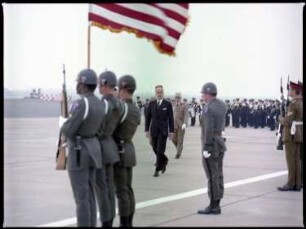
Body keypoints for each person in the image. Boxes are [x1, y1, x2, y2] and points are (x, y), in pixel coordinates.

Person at [59, 69, 107, 226]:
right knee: (89, 195)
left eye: (78, 82)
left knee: (81, 198)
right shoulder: (100, 104)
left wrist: (62, 122)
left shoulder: (81, 104)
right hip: (93, 151)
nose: (77, 85)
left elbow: (69, 130)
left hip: (79, 153)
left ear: (84, 85)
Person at [95, 70, 124, 227]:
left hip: (101, 147)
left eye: (101, 84)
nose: (99, 87)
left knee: (102, 189)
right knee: (108, 188)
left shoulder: (105, 103)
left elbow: (97, 126)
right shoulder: (118, 103)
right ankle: (109, 219)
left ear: (105, 84)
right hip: (110, 148)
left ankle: (106, 221)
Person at [113, 75, 141, 227]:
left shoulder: (121, 107)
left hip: (119, 151)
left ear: (122, 89)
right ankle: (129, 222)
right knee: (128, 189)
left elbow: (110, 128)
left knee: (121, 191)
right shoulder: (135, 109)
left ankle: (125, 224)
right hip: (129, 149)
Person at [197, 82, 227, 215]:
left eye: (203, 93)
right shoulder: (222, 105)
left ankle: (214, 205)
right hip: (220, 142)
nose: (202, 96)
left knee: (212, 175)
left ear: (208, 94)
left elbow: (208, 128)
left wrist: (207, 147)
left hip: (211, 144)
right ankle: (217, 202)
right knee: (218, 174)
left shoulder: (208, 108)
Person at [277, 81, 303, 191]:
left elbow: (287, 121)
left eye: (291, 90)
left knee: (291, 160)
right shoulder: (300, 103)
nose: (289, 91)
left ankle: (291, 183)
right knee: (297, 159)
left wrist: (280, 119)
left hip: (291, 134)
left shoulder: (293, 104)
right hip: (298, 133)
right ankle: (297, 183)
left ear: (294, 92)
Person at [145, 85, 174, 177]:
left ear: (163, 92)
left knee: (160, 150)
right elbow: (148, 118)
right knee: (154, 147)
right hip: (154, 130)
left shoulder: (167, 104)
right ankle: (164, 160)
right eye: (157, 92)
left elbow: (171, 119)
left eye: (160, 92)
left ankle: (157, 169)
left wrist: (171, 131)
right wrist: (146, 130)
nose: (159, 94)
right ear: (155, 93)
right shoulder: (152, 103)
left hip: (163, 131)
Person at [172, 92, 188, 159]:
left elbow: (186, 115)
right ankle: (179, 148)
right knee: (173, 139)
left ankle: (178, 153)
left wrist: (185, 123)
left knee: (180, 140)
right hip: (173, 125)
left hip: (181, 125)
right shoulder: (172, 104)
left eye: (178, 97)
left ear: (181, 98)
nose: (177, 99)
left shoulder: (184, 105)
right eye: (176, 97)